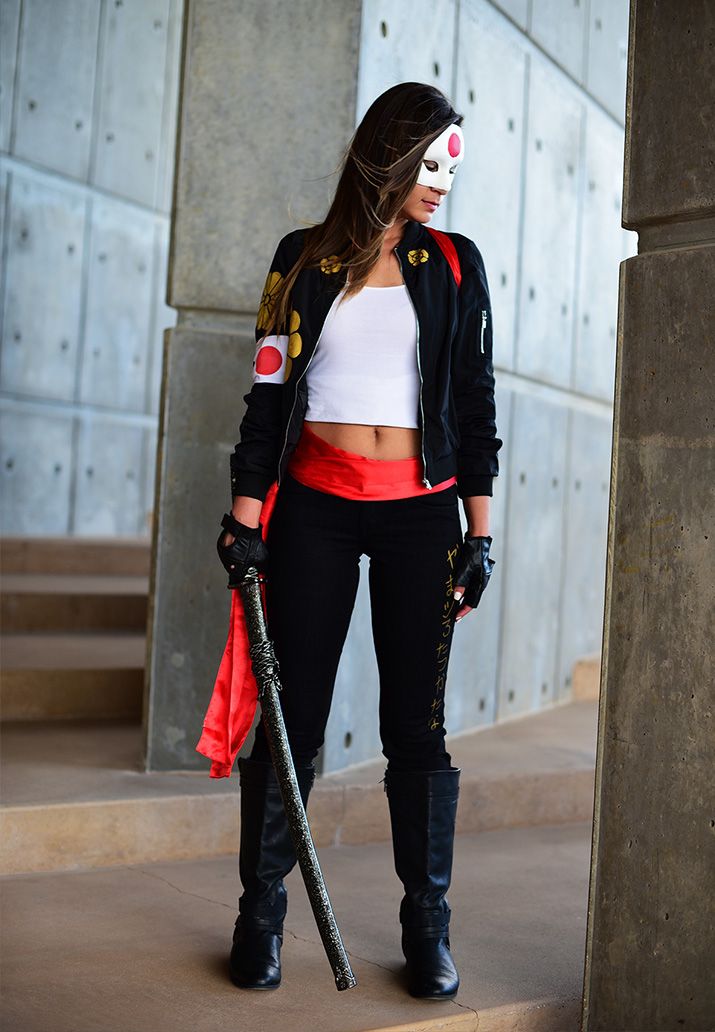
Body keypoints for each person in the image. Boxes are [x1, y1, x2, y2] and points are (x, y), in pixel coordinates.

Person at [215, 81, 503, 1001]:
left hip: (421, 512)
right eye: (431, 163)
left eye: (451, 167)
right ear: (387, 153)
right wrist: (245, 521)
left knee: (413, 725)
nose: (443, 183)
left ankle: (428, 928)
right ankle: (259, 915)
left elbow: (474, 406)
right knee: (290, 718)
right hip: (313, 512)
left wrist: (479, 534)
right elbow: (267, 402)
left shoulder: (456, 265)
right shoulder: (300, 261)